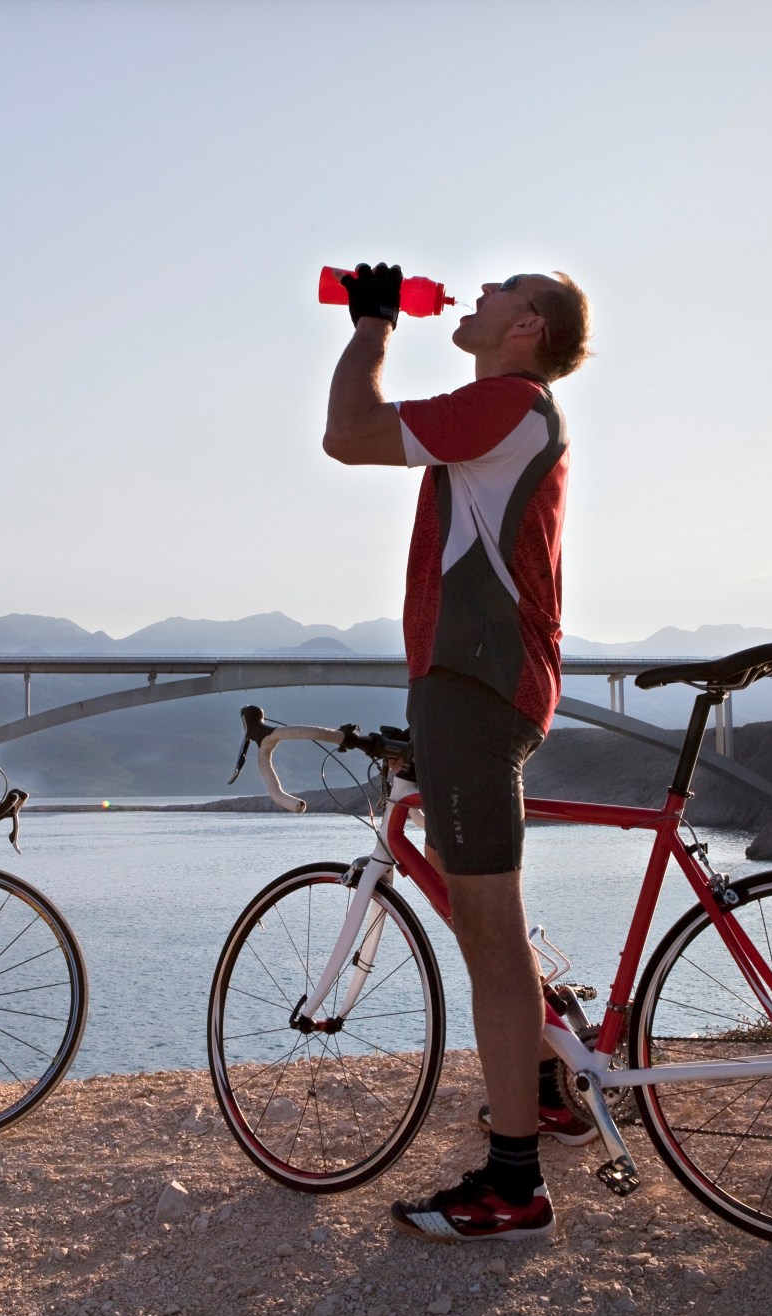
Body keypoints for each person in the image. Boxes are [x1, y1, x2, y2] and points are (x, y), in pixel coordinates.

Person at [321, 262, 592, 1242]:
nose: (470, 295)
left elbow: (346, 435)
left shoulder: (506, 401)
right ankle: (550, 1075)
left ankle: (513, 1183)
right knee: (481, 908)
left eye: (494, 291)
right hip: (469, 685)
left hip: (474, 687)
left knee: (484, 929)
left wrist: (372, 326)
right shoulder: (510, 410)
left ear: (524, 326)